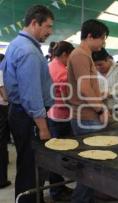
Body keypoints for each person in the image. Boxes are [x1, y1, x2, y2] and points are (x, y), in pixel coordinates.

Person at [1, 5, 54, 203]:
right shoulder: (29, 51)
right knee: (31, 166)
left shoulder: (16, 44)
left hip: (19, 112)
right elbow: (31, 95)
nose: (50, 32)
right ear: (34, 23)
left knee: (26, 164)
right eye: (47, 26)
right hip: (28, 116)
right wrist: (42, 127)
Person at [67, 19, 110, 203]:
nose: (103, 43)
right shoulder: (80, 56)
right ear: (90, 36)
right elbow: (84, 89)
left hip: (87, 115)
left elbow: (88, 87)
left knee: (92, 164)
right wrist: (100, 110)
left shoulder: (85, 55)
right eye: (102, 39)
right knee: (91, 166)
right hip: (86, 117)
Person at [47, 41, 74, 201]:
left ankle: (57, 188)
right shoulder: (63, 72)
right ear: (65, 54)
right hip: (62, 116)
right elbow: (67, 99)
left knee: (54, 153)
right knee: (62, 155)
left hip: (52, 113)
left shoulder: (51, 65)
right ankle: (58, 191)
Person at [0, 53, 11, 189]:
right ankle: (1, 179)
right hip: (2, 109)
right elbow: (4, 95)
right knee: (1, 144)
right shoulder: (1, 73)